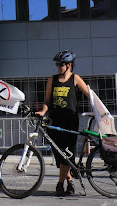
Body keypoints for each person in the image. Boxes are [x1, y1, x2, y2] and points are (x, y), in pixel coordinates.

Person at [37, 50, 89, 196]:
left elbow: (89, 95)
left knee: (67, 154)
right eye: (57, 64)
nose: (58, 67)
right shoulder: (51, 80)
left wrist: (100, 111)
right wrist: (43, 111)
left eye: (61, 64)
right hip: (54, 121)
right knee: (59, 155)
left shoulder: (75, 79)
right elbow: (47, 100)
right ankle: (70, 181)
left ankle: (61, 184)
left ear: (69, 65)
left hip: (70, 122)